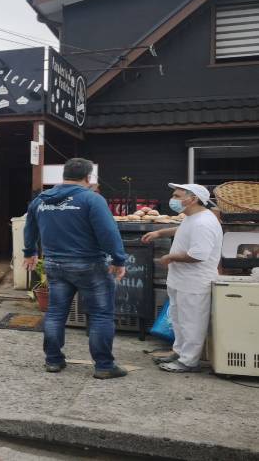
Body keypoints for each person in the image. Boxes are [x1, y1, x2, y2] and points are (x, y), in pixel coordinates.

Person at [23, 158, 128, 379]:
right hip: (90, 265)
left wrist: (29, 252)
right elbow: (108, 232)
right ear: (88, 177)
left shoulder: (41, 200)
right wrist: (119, 259)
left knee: (55, 312)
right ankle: (104, 366)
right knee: (100, 315)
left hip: (54, 264)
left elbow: (29, 227)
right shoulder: (92, 199)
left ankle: (53, 360)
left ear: (64, 175)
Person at [141, 183, 222, 373]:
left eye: (177, 196)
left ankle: (188, 361)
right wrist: (160, 232)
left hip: (195, 282)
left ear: (193, 199)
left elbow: (198, 255)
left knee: (191, 322)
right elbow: (183, 230)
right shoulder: (193, 217)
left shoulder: (204, 223)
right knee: (178, 320)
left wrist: (170, 257)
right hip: (181, 280)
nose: (173, 199)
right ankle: (179, 353)